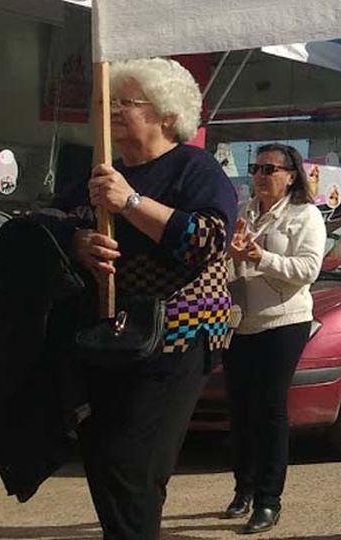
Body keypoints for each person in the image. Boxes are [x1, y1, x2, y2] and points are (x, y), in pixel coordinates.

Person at [62, 58, 238, 540]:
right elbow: (54, 225)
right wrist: (78, 242)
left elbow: (207, 239)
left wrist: (131, 204)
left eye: (128, 102)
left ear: (166, 114)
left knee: (133, 462)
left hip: (176, 339)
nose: (114, 111)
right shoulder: (103, 172)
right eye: (110, 103)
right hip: (107, 337)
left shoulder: (195, 169)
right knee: (101, 457)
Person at [221, 143, 326, 534]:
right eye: (257, 168)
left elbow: (309, 269)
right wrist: (229, 255)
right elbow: (231, 261)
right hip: (239, 322)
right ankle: (243, 488)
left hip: (283, 322)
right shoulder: (245, 212)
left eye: (271, 169)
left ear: (291, 175)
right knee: (241, 410)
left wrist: (259, 256)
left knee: (268, 411)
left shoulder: (305, 215)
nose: (262, 176)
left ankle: (268, 500)